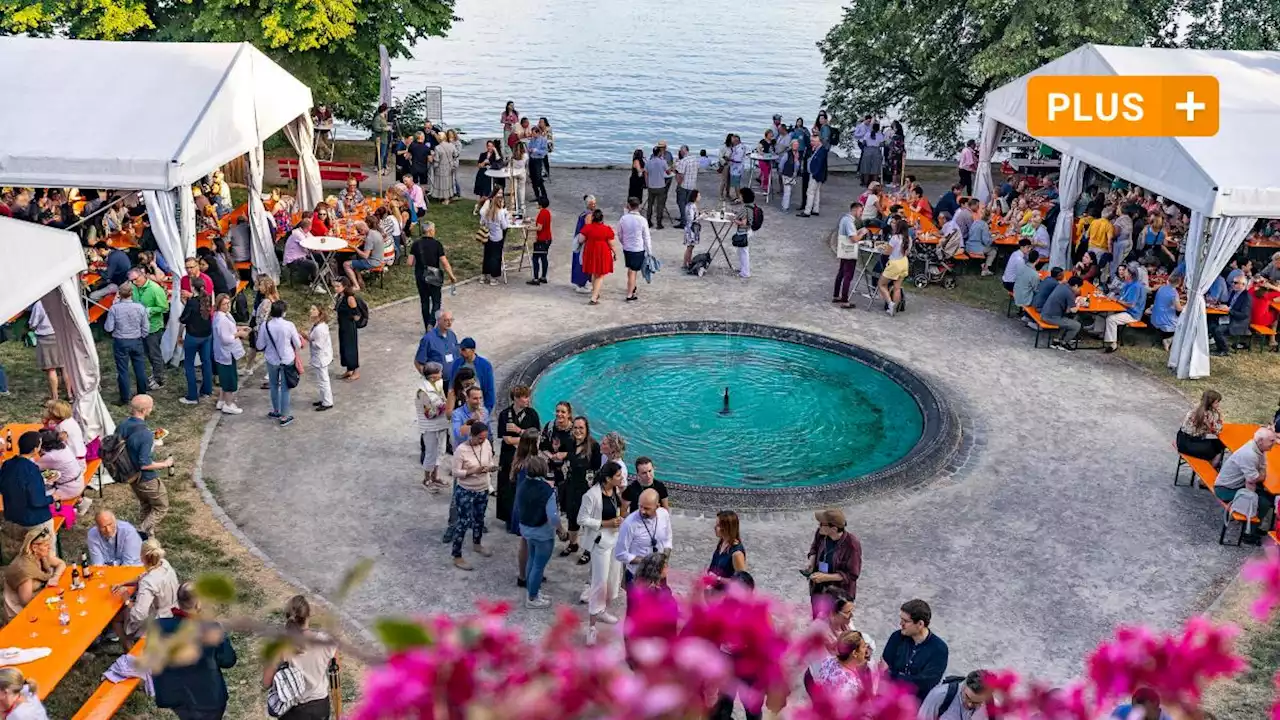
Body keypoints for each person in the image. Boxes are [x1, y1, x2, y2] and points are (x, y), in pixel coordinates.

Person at [153, 581, 238, 720]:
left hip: (176, 696)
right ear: (198, 604)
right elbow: (228, 660)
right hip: (208, 699)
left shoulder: (158, 626)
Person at [263, 595, 337, 720]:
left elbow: (266, 682)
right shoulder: (325, 642)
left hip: (293, 710)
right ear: (308, 616)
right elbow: (336, 671)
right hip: (320, 707)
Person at [578, 460, 625, 641]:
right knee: (599, 583)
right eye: (618, 475)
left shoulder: (615, 491)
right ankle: (591, 627)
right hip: (601, 542)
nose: (622, 478)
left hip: (614, 539)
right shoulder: (592, 495)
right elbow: (582, 518)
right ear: (608, 478)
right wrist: (605, 523)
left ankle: (602, 610)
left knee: (613, 579)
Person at [110, 538, 180, 650]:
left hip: (159, 620)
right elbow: (144, 575)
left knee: (117, 619)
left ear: (142, 557)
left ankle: (130, 655)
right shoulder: (164, 564)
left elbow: (138, 615)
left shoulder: (147, 583)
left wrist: (127, 600)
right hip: (174, 609)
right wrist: (123, 583)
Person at [117, 395, 173, 536]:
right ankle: (141, 532)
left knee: (145, 504)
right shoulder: (145, 434)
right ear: (144, 410)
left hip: (130, 474)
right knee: (161, 506)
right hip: (146, 478)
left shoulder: (123, 426)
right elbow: (145, 464)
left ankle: (148, 537)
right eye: (151, 406)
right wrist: (165, 464)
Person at [518, 457, 567, 608]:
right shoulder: (547, 490)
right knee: (539, 565)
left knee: (532, 560)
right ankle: (532, 598)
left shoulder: (523, 485)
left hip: (527, 529)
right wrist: (560, 530)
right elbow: (552, 516)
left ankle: (533, 591)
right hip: (542, 533)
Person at [450, 419, 496, 571]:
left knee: (479, 519)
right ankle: (457, 555)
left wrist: (490, 468)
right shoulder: (461, 450)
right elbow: (456, 473)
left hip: (482, 489)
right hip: (466, 490)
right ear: (472, 435)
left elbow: (489, 460)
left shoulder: (487, 445)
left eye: (485, 438)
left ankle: (477, 544)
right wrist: (472, 471)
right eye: (480, 438)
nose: (483, 441)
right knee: (463, 522)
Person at [882, 599, 949, 702]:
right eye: (901, 619)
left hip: (917, 705)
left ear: (920, 624)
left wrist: (894, 675)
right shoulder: (897, 637)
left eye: (906, 621)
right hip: (891, 697)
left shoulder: (939, 649)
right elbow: (883, 670)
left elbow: (926, 683)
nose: (901, 624)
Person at [0, 433, 54, 551]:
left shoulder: (7, 464)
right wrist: (53, 497)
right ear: (35, 449)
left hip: (12, 518)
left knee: (18, 555)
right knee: (45, 555)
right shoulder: (31, 470)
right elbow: (37, 501)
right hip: (34, 520)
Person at [804, 509, 862, 618]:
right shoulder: (821, 533)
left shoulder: (852, 544)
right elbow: (814, 547)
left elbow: (852, 574)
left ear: (834, 529)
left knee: (833, 622)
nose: (819, 525)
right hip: (818, 587)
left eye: (822, 524)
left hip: (838, 593)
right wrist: (812, 561)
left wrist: (826, 577)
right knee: (817, 618)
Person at [257, 299, 304, 427]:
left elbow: (260, 345)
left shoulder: (265, 326)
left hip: (271, 360)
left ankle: (276, 410)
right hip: (287, 359)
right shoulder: (289, 325)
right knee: (285, 388)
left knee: (273, 385)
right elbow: (298, 344)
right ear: (284, 312)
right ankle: (284, 416)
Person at [496, 387, 541, 520]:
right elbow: (507, 439)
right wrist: (526, 437)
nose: (527, 400)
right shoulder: (505, 414)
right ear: (515, 398)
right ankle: (508, 517)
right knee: (508, 485)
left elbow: (536, 435)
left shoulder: (532, 414)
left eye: (528, 397)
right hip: (509, 455)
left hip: (527, 456)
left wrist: (519, 431)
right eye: (524, 397)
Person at [3, 526, 64, 621]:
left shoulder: (41, 556)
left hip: (38, 601)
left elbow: (61, 563)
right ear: (34, 547)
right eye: (46, 545)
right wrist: (48, 596)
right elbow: (26, 601)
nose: (49, 548)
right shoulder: (25, 570)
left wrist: (55, 577)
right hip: (20, 613)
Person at [104, 283, 152, 406]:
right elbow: (146, 326)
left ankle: (124, 398)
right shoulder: (140, 307)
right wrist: (142, 335)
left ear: (119, 294)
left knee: (123, 370)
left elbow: (109, 328)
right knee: (140, 368)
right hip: (136, 340)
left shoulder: (115, 308)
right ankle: (142, 393)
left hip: (121, 341)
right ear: (132, 293)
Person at [614, 488, 673, 585]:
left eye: (647, 508)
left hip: (659, 574)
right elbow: (620, 554)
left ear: (657, 506)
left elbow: (668, 540)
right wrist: (646, 561)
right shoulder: (629, 523)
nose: (642, 511)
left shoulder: (664, 515)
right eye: (640, 506)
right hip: (637, 577)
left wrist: (664, 560)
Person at [406, 221, 457, 330]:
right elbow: (444, 262)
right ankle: (431, 323)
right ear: (429, 231)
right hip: (434, 275)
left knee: (424, 301)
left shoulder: (416, 244)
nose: (435, 231)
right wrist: (451, 276)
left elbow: (409, 263)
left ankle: (426, 326)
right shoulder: (437, 244)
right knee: (436, 301)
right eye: (434, 229)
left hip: (420, 275)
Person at [1093, 263, 1148, 353]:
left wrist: (1116, 300)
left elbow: (1131, 305)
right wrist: (1113, 297)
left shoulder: (1135, 287)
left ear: (1130, 275)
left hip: (1133, 314)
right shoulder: (1128, 284)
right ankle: (1099, 332)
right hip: (1124, 309)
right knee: (1106, 312)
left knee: (1111, 319)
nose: (1123, 273)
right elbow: (1122, 297)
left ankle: (1113, 344)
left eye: (1125, 272)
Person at [211, 293, 248, 415]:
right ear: (219, 305)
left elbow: (229, 328)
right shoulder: (221, 319)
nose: (228, 306)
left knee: (224, 378)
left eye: (228, 303)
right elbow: (226, 338)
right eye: (225, 304)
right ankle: (229, 404)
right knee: (229, 379)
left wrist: (239, 328)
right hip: (226, 352)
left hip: (222, 353)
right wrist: (239, 334)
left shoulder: (221, 316)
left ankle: (221, 400)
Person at [178, 284, 215, 405]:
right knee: (206, 362)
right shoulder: (207, 299)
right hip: (207, 335)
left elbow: (183, 319)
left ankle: (192, 396)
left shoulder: (192, 302)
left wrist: (185, 303)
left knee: (189, 364)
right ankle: (207, 390)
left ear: (193, 288)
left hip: (193, 336)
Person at [809, 630, 873, 699]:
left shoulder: (829, 660)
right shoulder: (850, 685)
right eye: (863, 646)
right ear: (854, 653)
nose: (866, 649)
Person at [417, 362, 450, 492]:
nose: (441, 374)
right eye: (439, 373)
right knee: (431, 453)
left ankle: (435, 477)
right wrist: (444, 407)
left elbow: (443, 397)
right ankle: (426, 480)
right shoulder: (422, 392)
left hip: (441, 424)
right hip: (429, 427)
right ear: (432, 377)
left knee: (441, 451)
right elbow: (429, 414)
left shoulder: (439, 382)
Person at [918, 670, 994, 720]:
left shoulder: (989, 705)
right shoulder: (940, 695)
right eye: (967, 697)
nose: (970, 704)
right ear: (963, 685)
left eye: (977, 702)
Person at [580, 208, 619, 306]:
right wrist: (615, 253)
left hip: (590, 252)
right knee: (600, 275)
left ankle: (595, 292)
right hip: (602, 252)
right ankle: (594, 297)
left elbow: (580, 240)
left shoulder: (588, 228)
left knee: (594, 273)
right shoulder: (607, 229)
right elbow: (612, 244)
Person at [26, 301, 63, 401]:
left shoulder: (40, 304)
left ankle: (55, 398)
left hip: (46, 337)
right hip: (62, 334)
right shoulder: (61, 299)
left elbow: (33, 323)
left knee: (51, 369)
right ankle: (70, 394)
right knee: (64, 367)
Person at [618, 197, 653, 302]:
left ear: (629, 206)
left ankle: (631, 286)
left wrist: (623, 242)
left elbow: (620, 233)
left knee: (630, 269)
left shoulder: (623, 219)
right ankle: (630, 293)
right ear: (639, 206)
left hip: (627, 248)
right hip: (638, 249)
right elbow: (646, 237)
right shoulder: (642, 220)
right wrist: (649, 251)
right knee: (633, 271)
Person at [876, 218, 912, 317]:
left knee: (881, 284)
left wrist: (881, 249)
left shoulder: (895, 238)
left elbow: (888, 252)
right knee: (897, 287)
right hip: (904, 262)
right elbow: (907, 252)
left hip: (894, 263)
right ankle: (894, 308)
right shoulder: (909, 238)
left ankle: (890, 303)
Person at [34, 429, 82, 502]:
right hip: (77, 482)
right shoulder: (63, 446)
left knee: (33, 496)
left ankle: (78, 504)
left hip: (68, 489)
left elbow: (33, 468)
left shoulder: (51, 457)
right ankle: (81, 501)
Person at [1212, 273, 1253, 356]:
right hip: (1229, 317)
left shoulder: (1247, 297)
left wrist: (1229, 310)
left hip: (1238, 322)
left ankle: (1224, 350)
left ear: (1243, 285)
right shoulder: (1234, 292)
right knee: (1211, 323)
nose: (1232, 284)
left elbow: (1244, 315)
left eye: (1235, 283)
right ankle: (1219, 347)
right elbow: (1229, 305)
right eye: (1233, 282)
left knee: (1218, 330)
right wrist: (1220, 304)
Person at [414, 310, 460, 383]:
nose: (449, 323)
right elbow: (418, 362)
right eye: (446, 320)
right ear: (438, 321)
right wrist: (429, 379)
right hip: (438, 382)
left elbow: (457, 355)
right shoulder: (428, 339)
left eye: (451, 320)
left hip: (453, 380)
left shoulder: (452, 335)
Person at [1041, 276, 1085, 350]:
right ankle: (1064, 343)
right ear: (1076, 286)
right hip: (1051, 317)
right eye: (1079, 287)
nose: (1079, 289)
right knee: (1077, 325)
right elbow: (1074, 310)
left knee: (1072, 317)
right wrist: (1079, 303)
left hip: (1045, 313)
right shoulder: (1069, 293)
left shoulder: (1062, 286)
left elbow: (1068, 309)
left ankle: (1056, 340)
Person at [333, 277, 363, 382]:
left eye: (338, 286)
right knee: (344, 348)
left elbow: (356, 314)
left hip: (349, 327)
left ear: (344, 286)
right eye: (335, 286)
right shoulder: (340, 296)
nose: (335, 288)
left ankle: (356, 372)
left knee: (351, 348)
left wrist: (350, 319)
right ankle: (349, 370)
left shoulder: (350, 298)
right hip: (342, 326)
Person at [307, 305, 334, 412]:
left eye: (314, 309)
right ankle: (324, 399)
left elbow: (318, 345)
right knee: (321, 379)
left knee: (323, 380)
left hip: (321, 357)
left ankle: (327, 402)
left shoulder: (320, 329)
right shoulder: (317, 325)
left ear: (320, 312)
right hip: (320, 357)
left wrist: (307, 338)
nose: (311, 310)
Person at [708, 510, 747, 579]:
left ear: (727, 528)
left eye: (718, 525)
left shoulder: (737, 554)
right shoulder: (722, 543)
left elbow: (743, 583)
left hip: (724, 589)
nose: (715, 528)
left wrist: (718, 579)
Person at [481, 194, 510, 285]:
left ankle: (484, 275)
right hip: (497, 238)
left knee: (487, 256)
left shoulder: (487, 212)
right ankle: (494, 278)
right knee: (496, 257)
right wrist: (507, 217)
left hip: (488, 236)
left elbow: (483, 222)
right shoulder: (500, 213)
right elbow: (504, 226)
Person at [798, 133, 828, 218]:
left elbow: (819, 164)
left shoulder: (821, 150)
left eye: (813, 141)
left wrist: (814, 173)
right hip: (816, 174)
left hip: (815, 174)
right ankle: (815, 209)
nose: (811, 142)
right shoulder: (818, 149)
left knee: (810, 192)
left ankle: (807, 211)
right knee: (816, 192)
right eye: (811, 140)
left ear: (818, 141)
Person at [571, 196, 596, 293]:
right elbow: (588, 230)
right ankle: (582, 283)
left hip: (579, 240)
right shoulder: (588, 215)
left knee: (579, 261)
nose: (594, 205)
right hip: (584, 241)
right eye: (592, 203)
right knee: (583, 262)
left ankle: (580, 282)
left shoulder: (583, 214)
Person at [430, 130, 460, 203]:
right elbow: (456, 155)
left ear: (440, 138)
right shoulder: (451, 145)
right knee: (448, 183)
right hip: (449, 166)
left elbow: (436, 160)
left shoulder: (438, 147)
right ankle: (447, 197)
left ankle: (443, 198)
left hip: (440, 167)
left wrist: (434, 165)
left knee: (441, 183)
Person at [733, 188, 757, 278]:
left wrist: (734, 220)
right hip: (749, 230)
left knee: (743, 252)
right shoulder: (751, 206)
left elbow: (743, 223)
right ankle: (743, 269)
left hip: (743, 231)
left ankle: (745, 272)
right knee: (742, 251)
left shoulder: (745, 209)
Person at [529, 198, 553, 285]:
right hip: (548, 238)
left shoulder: (542, 213)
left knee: (535, 258)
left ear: (540, 204)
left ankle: (535, 278)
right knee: (544, 257)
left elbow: (539, 228)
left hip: (542, 239)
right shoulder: (547, 212)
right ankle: (543, 276)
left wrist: (529, 228)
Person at [643, 146, 669, 229]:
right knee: (659, 205)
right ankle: (659, 223)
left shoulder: (648, 162)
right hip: (660, 186)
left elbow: (646, 174)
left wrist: (647, 184)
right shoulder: (663, 162)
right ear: (659, 153)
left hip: (651, 186)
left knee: (650, 204)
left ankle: (649, 221)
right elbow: (668, 172)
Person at [674, 145, 699, 230]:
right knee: (689, 204)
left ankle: (683, 221)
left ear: (682, 152)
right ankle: (687, 218)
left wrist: (679, 184)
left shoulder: (683, 161)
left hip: (684, 185)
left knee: (681, 203)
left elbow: (680, 174)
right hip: (692, 185)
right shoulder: (695, 159)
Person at [778, 139, 802, 212]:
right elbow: (782, 163)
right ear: (791, 145)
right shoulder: (787, 154)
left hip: (793, 175)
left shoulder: (797, 154)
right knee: (788, 191)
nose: (796, 146)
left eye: (797, 145)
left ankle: (784, 204)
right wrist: (781, 171)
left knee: (788, 191)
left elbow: (797, 165)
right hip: (786, 174)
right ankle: (785, 207)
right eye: (794, 145)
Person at [682, 189, 702, 270]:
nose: (700, 197)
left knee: (691, 247)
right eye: (699, 195)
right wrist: (701, 217)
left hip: (691, 228)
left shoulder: (691, 205)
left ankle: (688, 262)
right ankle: (685, 263)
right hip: (691, 229)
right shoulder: (691, 206)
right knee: (689, 247)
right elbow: (691, 219)